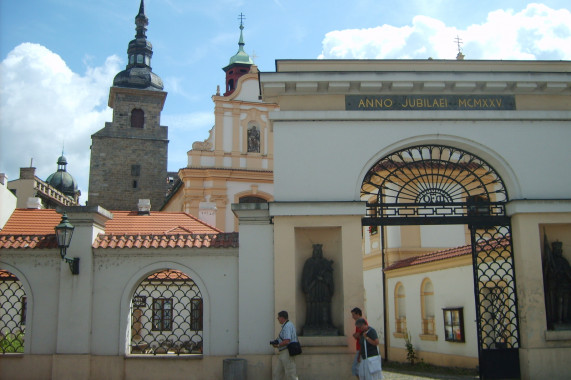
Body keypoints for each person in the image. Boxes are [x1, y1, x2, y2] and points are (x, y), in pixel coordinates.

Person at [272, 310, 299, 380]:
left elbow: (287, 341)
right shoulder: (288, 325)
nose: (278, 319)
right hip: (283, 353)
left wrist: (278, 345)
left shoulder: (287, 326)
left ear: (282, 318)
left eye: (278, 317)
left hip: (287, 352)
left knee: (290, 374)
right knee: (277, 374)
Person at [351, 308, 363, 379]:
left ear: (358, 314)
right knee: (357, 368)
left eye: (353, 315)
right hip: (359, 348)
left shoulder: (360, 322)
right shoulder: (358, 323)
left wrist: (355, 335)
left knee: (356, 368)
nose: (352, 317)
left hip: (361, 349)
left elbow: (358, 335)